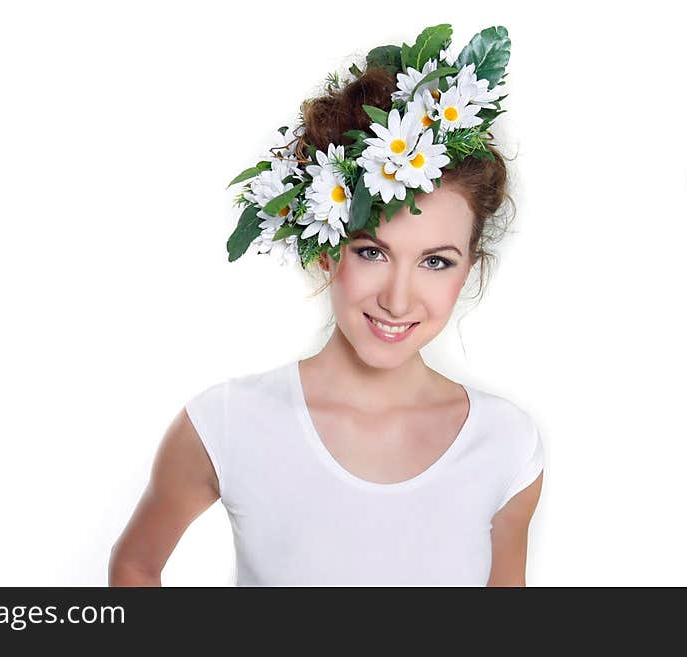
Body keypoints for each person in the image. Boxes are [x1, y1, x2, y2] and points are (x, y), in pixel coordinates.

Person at [109, 25, 544, 586]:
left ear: (469, 268)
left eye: (436, 261)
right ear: (325, 250)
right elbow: (136, 566)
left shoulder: (506, 443)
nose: (397, 298)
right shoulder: (227, 423)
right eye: (372, 252)